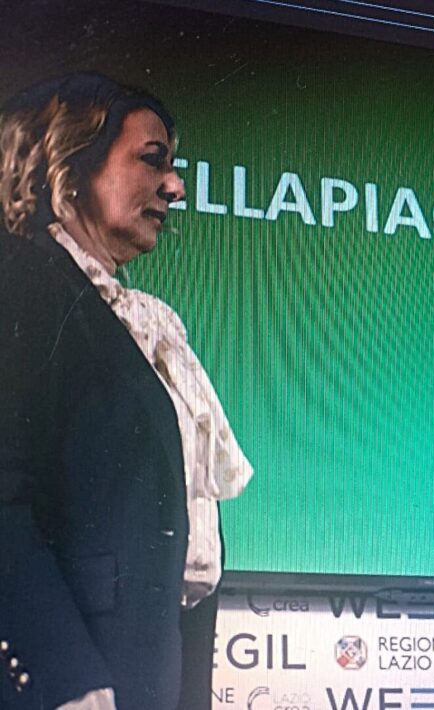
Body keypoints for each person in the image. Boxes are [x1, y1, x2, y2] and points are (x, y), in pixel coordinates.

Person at [0, 73, 252, 710]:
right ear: (71, 165)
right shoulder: (21, 278)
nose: (176, 186)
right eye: (152, 159)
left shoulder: (140, 322)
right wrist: (67, 678)